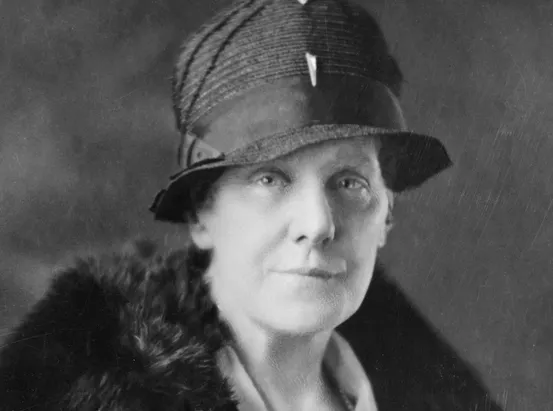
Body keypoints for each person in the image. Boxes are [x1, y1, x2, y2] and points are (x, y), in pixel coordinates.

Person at [0, 0, 504, 410]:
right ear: (201, 214)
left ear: (387, 215)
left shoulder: (425, 392)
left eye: (349, 182)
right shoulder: (72, 391)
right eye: (270, 178)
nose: (317, 223)